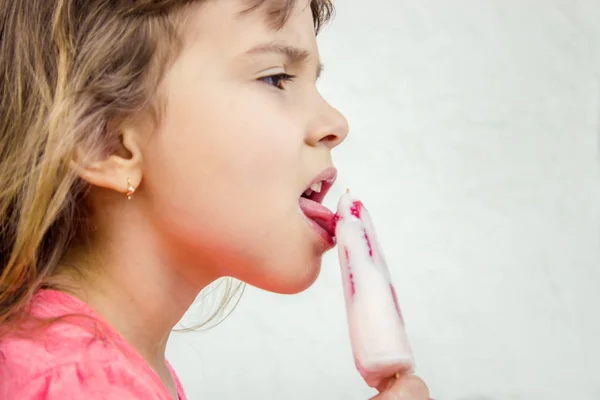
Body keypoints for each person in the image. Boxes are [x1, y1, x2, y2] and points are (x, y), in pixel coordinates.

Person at [0, 1, 430, 399]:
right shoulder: (73, 382)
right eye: (276, 77)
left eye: (314, 80)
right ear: (105, 142)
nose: (336, 123)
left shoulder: (102, 367)